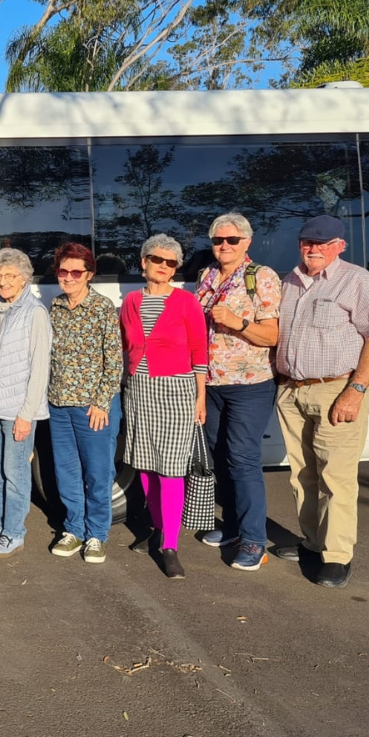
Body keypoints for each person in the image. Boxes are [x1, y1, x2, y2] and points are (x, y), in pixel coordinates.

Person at [274, 214, 369, 588]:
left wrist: (355, 392)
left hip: (336, 390)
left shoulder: (358, 281)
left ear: (340, 245)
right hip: (292, 389)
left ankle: (337, 557)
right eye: (308, 242)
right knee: (302, 474)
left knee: (335, 477)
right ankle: (312, 541)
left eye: (323, 244)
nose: (314, 249)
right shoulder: (289, 282)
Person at [195, 213, 281, 571]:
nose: (224, 246)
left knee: (244, 459)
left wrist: (238, 322)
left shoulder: (261, 276)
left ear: (247, 241)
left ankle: (253, 541)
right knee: (220, 456)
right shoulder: (207, 276)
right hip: (212, 384)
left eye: (231, 240)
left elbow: (272, 336)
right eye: (218, 240)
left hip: (249, 385)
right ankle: (231, 527)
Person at [120, 234, 207, 579]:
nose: (164, 267)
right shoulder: (130, 301)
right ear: (144, 262)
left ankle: (170, 545)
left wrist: (200, 397)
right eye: (157, 259)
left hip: (176, 390)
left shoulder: (186, 302)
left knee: (170, 468)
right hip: (139, 389)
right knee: (144, 466)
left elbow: (200, 351)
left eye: (171, 263)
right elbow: (127, 346)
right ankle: (156, 528)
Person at [46, 242, 122, 564]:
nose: (69, 277)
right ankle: (74, 529)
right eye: (63, 271)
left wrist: (103, 402)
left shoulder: (103, 308)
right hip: (59, 405)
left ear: (89, 274)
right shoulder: (54, 307)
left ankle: (97, 535)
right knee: (66, 472)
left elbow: (114, 361)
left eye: (76, 272)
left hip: (94, 407)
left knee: (98, 473)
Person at [0, 248, 51, 558]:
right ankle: (1, 525)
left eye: (10, 276)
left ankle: (15, 532)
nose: (3, 281)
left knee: (15, 472)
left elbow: (40, 369)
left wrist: (26, 414)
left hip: (18, 410)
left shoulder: (35, 313)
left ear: (24, 280)